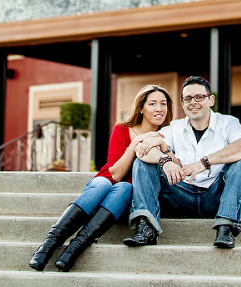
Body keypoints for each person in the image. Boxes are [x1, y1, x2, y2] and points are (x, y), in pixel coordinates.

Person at [29, 84, 173, 272]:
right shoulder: (122, 129)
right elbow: (116, 173)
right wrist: (135, 144)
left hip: (129, 194)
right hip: (106, 182)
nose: (159, 108)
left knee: (124, 188)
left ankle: (74, 249)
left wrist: (162, 146)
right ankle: (47, 246)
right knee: (102, 184)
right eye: (152, 103)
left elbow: (173, 167)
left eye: (163, 104)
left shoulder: (169, 134)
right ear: (141, 107)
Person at [123, 76, 241, 249]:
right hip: (180, 195)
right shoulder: (174, 127)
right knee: (142, 163)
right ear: (182, 103)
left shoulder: (227, 123)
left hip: (216, 197)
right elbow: (144, 148)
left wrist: (205, 162)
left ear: (211, 100)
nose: (193, 102)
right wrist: (165, 160)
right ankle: (146, 229)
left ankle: (226, 227)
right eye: (188, 99)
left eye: (199, 97)